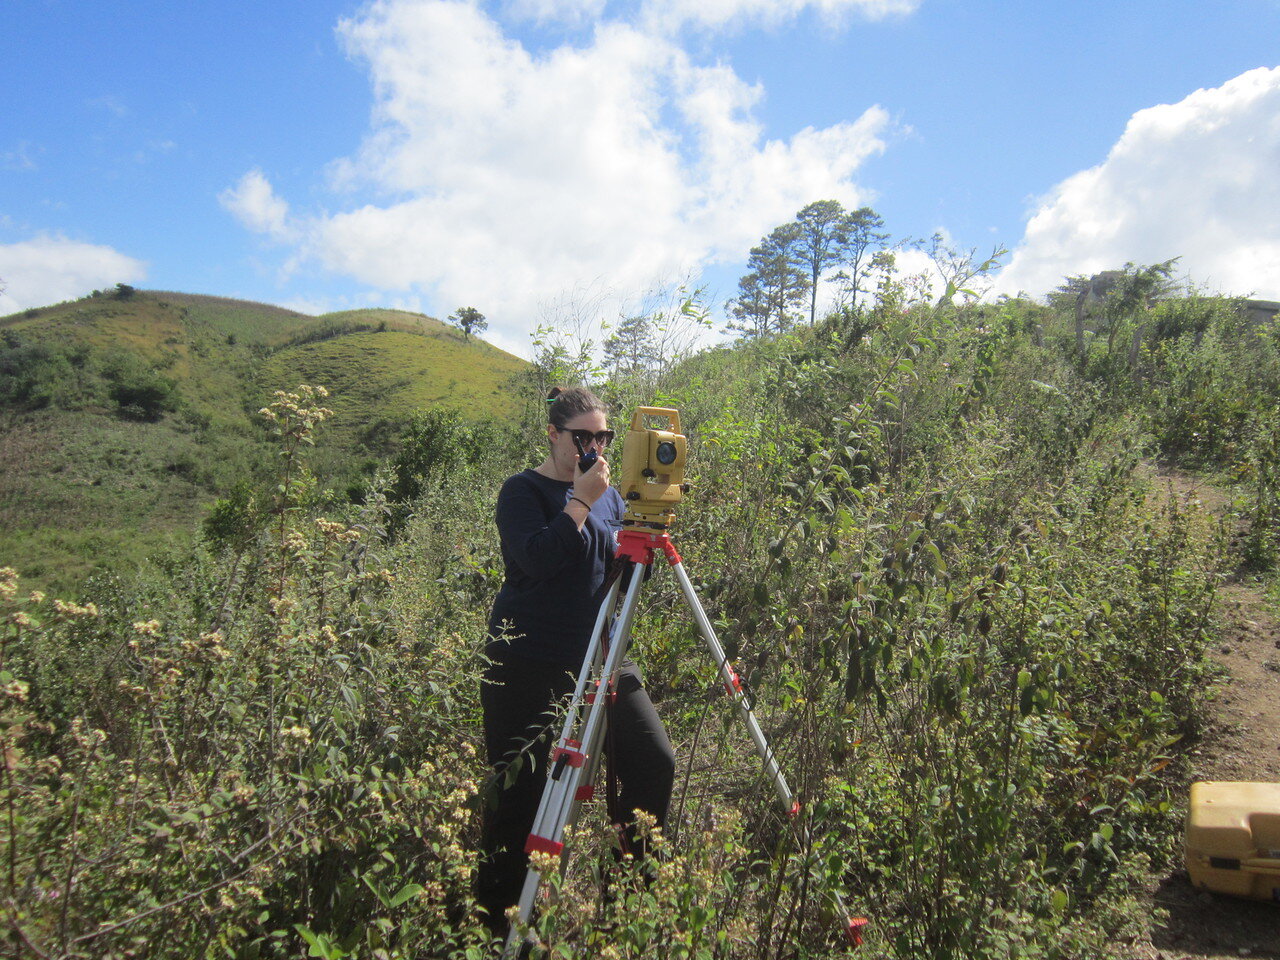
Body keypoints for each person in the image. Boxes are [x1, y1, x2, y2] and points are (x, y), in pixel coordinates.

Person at [477, 386, 676, 935]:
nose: (593, 446)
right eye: (581, 436)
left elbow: (623, 575)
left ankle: (626, 912)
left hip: (601, 657)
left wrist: (646, 531)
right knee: (520, 801)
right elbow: (536, 560)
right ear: (553, 436)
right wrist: (581, 501)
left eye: (603, 437)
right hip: (529, 663)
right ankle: (500, 931)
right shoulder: (523, 491)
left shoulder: (612, 494)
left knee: (653, 760)